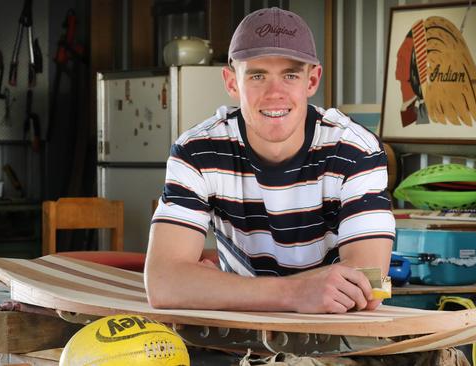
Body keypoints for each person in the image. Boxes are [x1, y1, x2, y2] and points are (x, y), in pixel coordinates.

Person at [145, 7, 395, 314]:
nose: (275, 93)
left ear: (312, 80)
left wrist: (209, 287)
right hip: (239, 338)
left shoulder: (355, 149)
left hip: (336, 339)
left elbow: (371, 285)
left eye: (290, 75)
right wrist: (295, 293)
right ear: (232, 82)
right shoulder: (196, 151)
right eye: (257, 75)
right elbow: (163, 283)